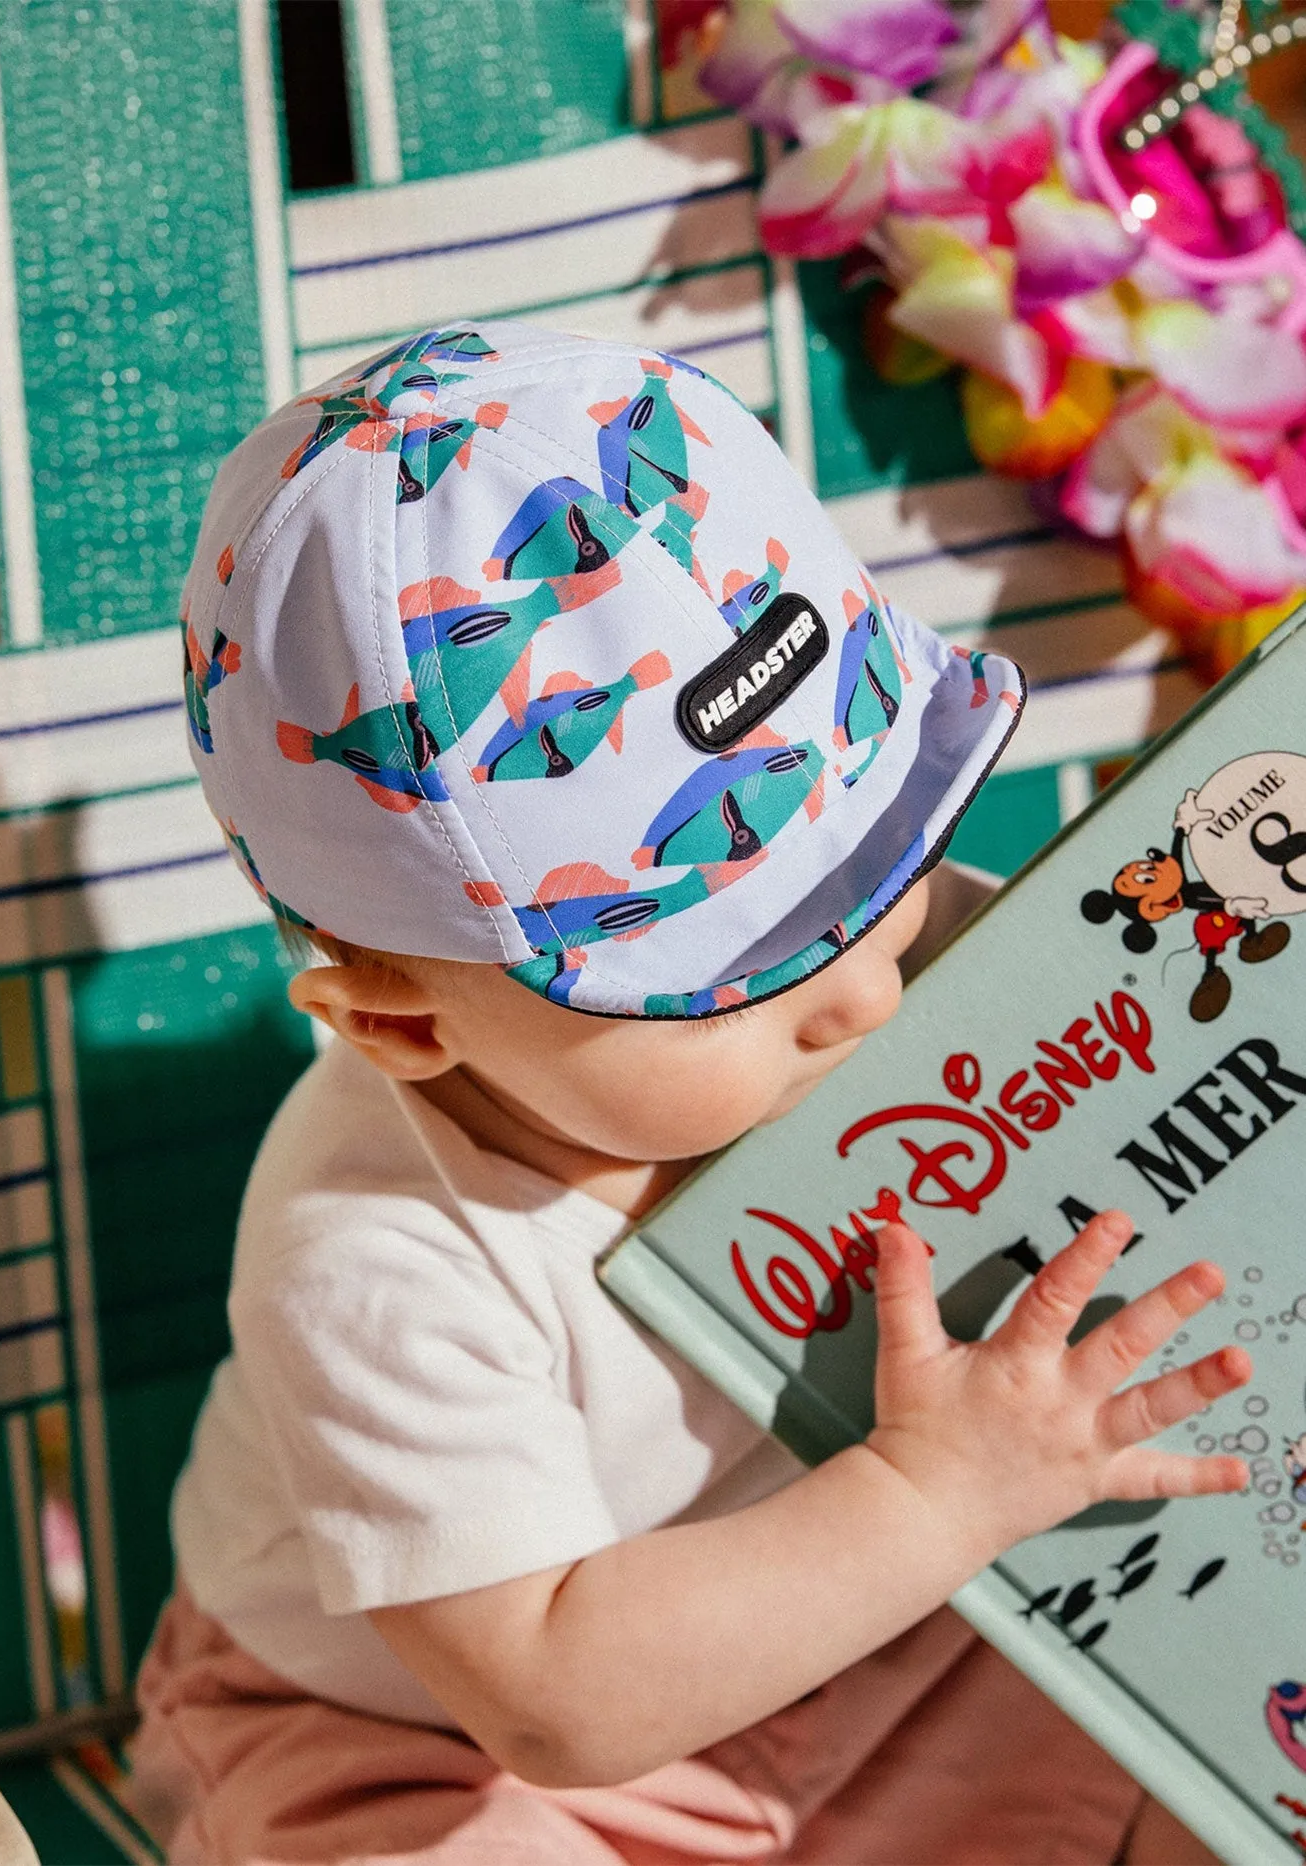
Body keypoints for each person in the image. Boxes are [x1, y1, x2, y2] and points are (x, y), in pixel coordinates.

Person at [130, 323, 1249, 1865]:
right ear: (402, 1022)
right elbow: (554, 1693)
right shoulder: (375, 1253)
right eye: (743, 959)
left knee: (1210, 1725)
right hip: (431, 1737)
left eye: (878, 859)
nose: (864, 992)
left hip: (905, 1643)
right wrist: (933, 1497)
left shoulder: (919, 974)